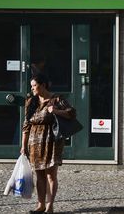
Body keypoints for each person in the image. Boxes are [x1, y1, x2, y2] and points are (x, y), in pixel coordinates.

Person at [20, 74, 76, 214]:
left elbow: (72, 113)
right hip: (34, 143)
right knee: (39, 175)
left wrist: (55, 111)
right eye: (31, 86)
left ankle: (50, 206)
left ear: (43, 85)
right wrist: (23, 146)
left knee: (51, 175)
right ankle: (41, 205)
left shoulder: (56, 99)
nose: (32, 88)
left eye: (34, 85)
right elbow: (26, 126)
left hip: (52, 142)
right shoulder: (30, 101)